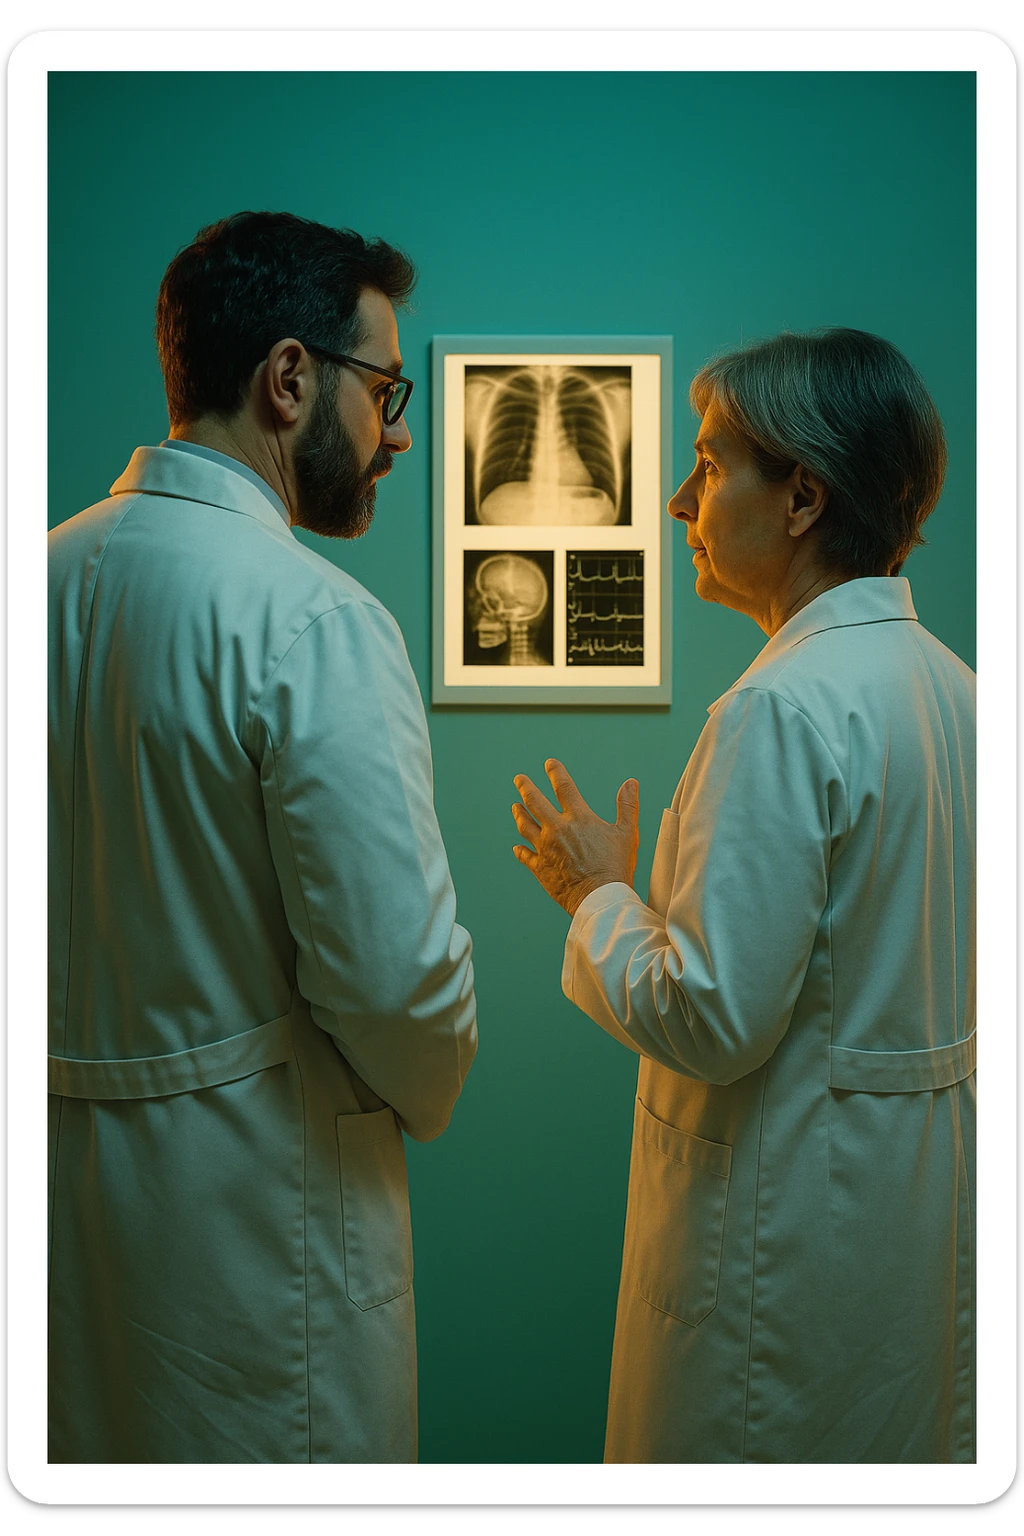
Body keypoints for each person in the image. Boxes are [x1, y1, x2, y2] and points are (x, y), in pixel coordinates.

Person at [47, 211, 477, 1464]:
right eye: (386, 389)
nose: (399, 432)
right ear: (290, 379)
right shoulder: (314, 622)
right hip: (259, 1265)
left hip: (64, 1250)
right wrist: (436, 1080)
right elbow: (398, 989)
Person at [512, 328, 975, 1464]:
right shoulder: (952, 690)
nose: (677, 499)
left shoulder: (780, 710)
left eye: (712, 464)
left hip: (778, 1273)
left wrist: (595, 891)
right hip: (896, 1243)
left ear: (804, 495)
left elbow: (711, 1019)